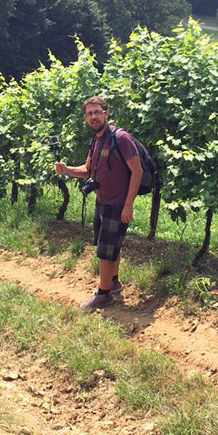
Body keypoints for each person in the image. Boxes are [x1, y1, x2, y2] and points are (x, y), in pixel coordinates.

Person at [54, 96, 142, 311]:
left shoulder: (121, 138)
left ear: (106, 113)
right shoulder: (96, 141)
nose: (93, 116)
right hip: (102, 201)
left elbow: (137, 171)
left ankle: (103, 295)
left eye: (97, 112)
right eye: (89, 113)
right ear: (85, 118)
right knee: (112, 245)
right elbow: (87, 170)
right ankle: (113, 282)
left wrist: (128, 204)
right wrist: (67, 170)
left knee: (105, 250)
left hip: (117, 204)